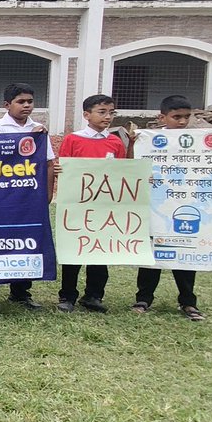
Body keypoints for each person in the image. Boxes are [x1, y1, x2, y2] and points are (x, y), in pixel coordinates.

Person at [0, 83, 55, 310]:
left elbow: (48, 163)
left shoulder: (39, 130)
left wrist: (48, 192)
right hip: (0, 196)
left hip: (28, 197)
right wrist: (25, 140)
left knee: (26, 240)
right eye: (21, 102)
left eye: (30, 101)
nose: (27, 106)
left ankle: (21, 292)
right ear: (7, 105)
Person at [132, 95, 204, 321]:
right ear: (162, 117)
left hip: (186, 205)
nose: (182, 122)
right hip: (155, 207)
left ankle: (188, 302)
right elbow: (134, 167)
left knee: (185, 254)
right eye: (176, 117)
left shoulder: (199, 140)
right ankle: (143, 299)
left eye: (186, 117)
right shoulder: (149, 141)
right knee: (151, 255)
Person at [56, 94, 125, 313]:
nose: (107, 117)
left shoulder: (115, 142)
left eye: (111, 112)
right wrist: (59, 170)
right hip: (76, 205)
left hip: (104, 206)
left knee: (99, 252)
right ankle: (67, 296)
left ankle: (94, 295)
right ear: (87, 115)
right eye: (102, 112)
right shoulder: (73, 139)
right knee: (74, 252)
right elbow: (63, 166)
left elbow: (122, 173)